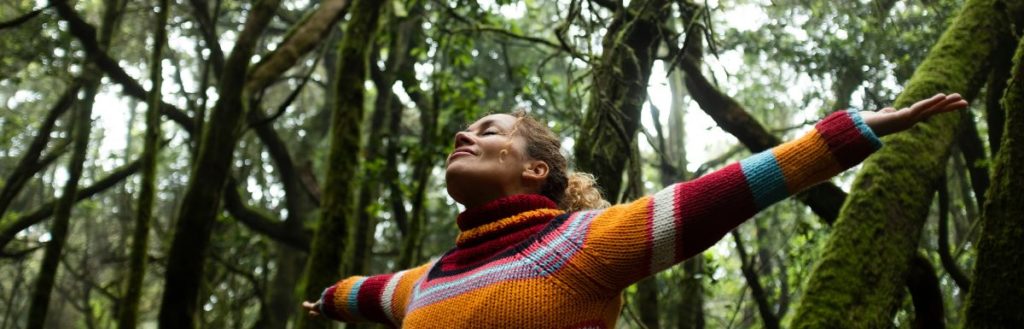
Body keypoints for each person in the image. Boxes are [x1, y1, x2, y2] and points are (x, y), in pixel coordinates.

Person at [301, 93, 968, 328]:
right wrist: (328, 298)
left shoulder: (580, 244)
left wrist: (857, 129)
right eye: (464, 131)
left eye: (489, 128)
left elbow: (733, 188)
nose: (463, 136)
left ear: (536, 169)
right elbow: (368, 293)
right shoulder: (429, 280)